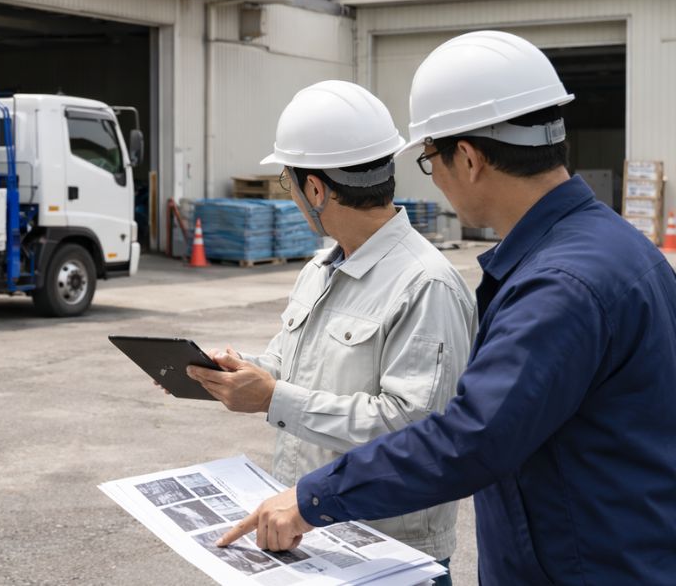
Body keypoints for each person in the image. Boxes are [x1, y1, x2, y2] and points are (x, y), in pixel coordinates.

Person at [218, 31, 676, 584]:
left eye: (430, 158)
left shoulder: (560, 284)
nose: (432, 179)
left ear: (468, 157)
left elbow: (468, 440)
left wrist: (315, 498)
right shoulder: (617, 249)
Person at [185, 80, 476, 583]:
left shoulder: (425, 284)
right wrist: (233, 371)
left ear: (315, 188)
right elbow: (290, 364)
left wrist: (273, 398)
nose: (293, 196)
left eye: (288, 182)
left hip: (390, 558)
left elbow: (415, 428)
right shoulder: (321, 268)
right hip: (304, 531)